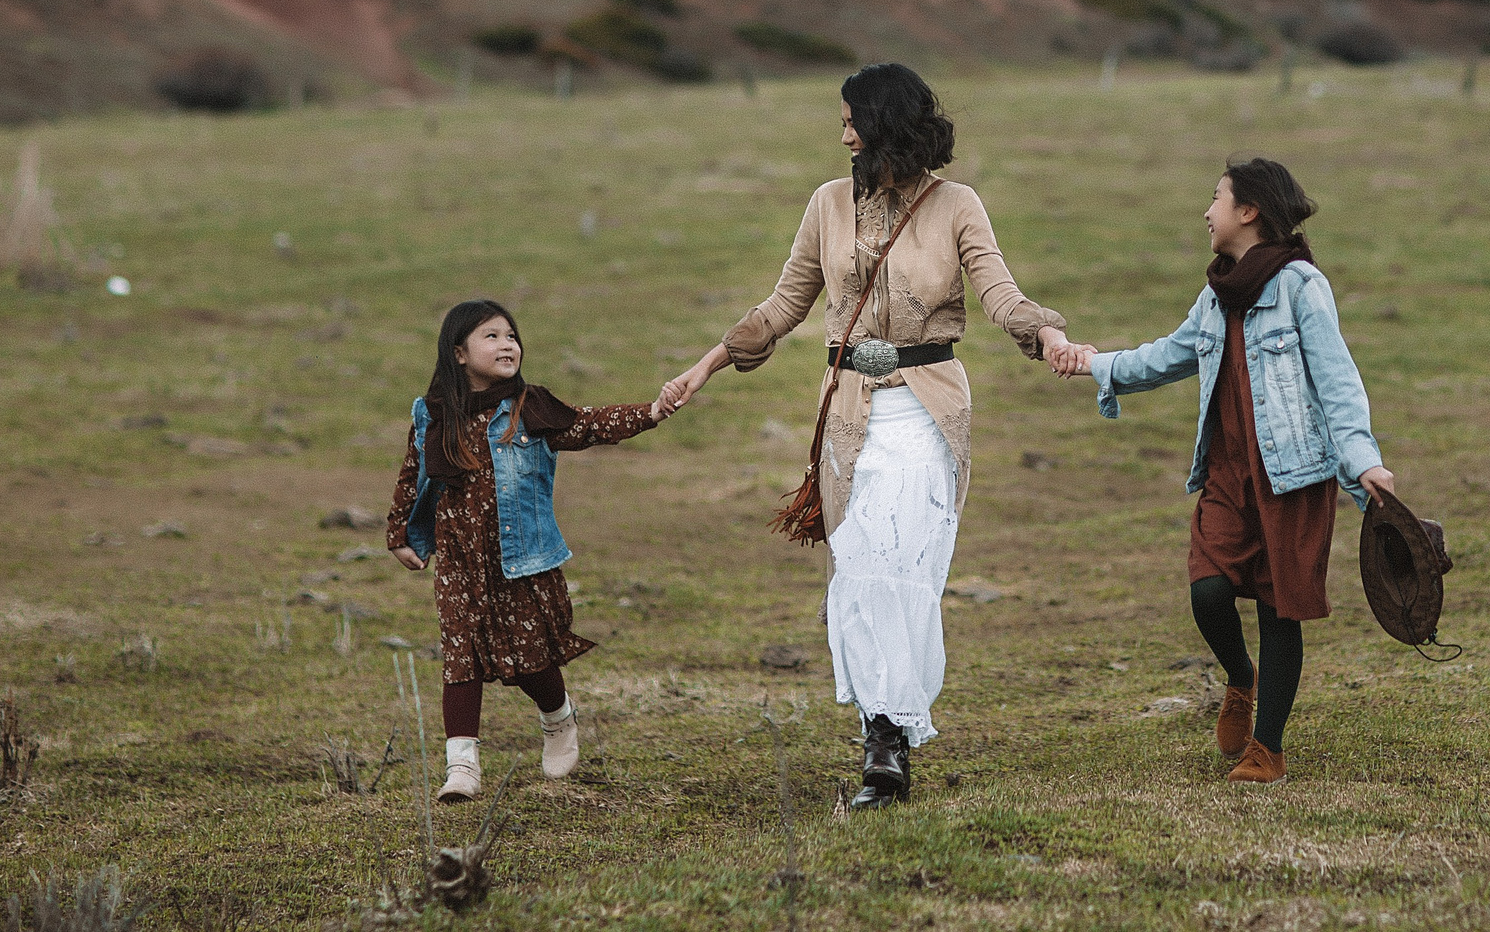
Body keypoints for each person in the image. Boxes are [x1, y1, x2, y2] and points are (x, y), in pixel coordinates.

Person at [663, 63, 1068, 809]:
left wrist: (1043, 332)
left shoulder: (957, 205)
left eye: (853, 119)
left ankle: (886, 742)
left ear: (885, 124)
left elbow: (999, 292)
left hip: (926, 403)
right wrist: (707, 365)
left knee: (899, 563)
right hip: (848, 408)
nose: (843, 132)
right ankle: (886, 728)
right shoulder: (826, 204)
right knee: (857, 567)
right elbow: (783, 303)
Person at [1047, 157, 1394, 785]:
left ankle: (1268, 749)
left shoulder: (1300, 288)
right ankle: (1241, 677)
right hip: (1229, 476)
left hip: (1292, 477)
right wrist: (1096, 365)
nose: (1206, 212)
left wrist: (1363, 461)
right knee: (1208, 591)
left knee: (1277, 609)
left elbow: (1338, 381)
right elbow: (1170, 356)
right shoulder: (1216, 293)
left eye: (1216, 198)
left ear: (1249, 211)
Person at [387, 298, 679, 802]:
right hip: (460, 564)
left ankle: (558, 716)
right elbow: (413, 477)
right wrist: (400, 533)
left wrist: (650, 412)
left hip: (522, 560)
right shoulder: (432, 413)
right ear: (459, 353)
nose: (508, 345)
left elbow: (589, 424)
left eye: (512, 335)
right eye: (492, 336)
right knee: (461, 658)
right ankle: (462, 767)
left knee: (530, 661)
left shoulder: (531, 408)